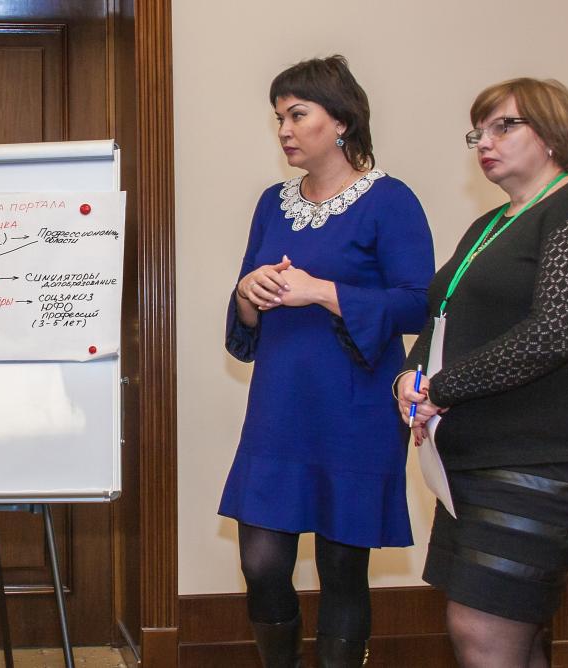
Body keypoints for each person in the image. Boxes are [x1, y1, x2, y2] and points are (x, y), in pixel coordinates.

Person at [397, 78, 568, 668]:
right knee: (508, 640)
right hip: (470, 464)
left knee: (482, 631)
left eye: (504, 126)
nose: (485, 142)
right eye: (478, 132)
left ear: (551, 133)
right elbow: (441, 318)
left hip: (540, 462)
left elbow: (555, 331)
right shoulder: (488, 226)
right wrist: (410, 378)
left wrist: (442, 389)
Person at [220, 55, 434, 667]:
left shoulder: (390, 200)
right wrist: (248, 292)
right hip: (279, 405)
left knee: (342, 567)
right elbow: (247, 316)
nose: (284, 130)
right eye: (278, 119)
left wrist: (323, 291)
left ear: (340, 121)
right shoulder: (272, 203)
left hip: (356, 408)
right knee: (261, 563)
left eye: (297, 115)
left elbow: (419, 304)